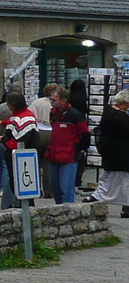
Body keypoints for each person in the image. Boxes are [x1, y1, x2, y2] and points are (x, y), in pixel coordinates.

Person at [46, 86, 90, 205]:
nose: (51, 102)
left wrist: (76, 150)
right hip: (54, 155)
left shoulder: (75, 115)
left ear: (63, 101)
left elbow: (85, 135)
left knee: (66, 189)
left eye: (54, 100)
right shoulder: (53, 113)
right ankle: (59, 209)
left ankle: (69, 212)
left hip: (68, 157)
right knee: (55, 188)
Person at [0, 91, 38, 209]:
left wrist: (3, 140)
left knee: (17, 183)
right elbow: (15, 125)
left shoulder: (23, 118)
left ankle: (19, 206)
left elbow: (17, 140)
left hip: (18, 157)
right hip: (23, 156)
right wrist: (4, 123)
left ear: (12, 105)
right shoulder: (25, 115)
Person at [93, 89, 129, 219]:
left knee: (111, 178)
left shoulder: (108, 112)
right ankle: (99, 198)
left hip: (110, 152)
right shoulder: (121, 117)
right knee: (121, 180)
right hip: (121, 155)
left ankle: (126, 206)